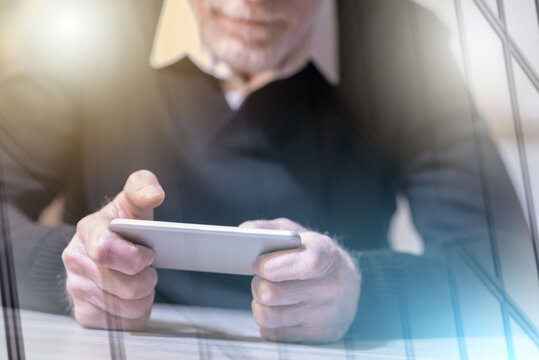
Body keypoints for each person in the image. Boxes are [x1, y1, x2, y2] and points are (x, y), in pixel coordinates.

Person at [0, 0, 529, 344]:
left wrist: (361, 291)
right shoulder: (88, 17)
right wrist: (66, 270)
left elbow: (506, 270)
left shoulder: (400, 39)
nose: (250, 6)